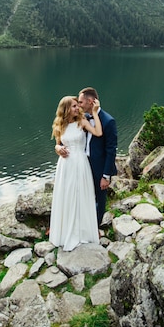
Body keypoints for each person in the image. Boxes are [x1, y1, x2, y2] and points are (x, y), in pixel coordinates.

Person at [56, 87, 118, 227]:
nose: (79, 105)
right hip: (79, 163)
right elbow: (62, 139)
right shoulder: (79, 118)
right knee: (77, 195)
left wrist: (106, 175)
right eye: (76, 104)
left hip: (97, 167)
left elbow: (111, 150)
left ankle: (94, 228)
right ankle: (73, 224)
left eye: (81, 102)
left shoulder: (108, 121)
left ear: (90, 102)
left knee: (98, 198)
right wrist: (58, 147)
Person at [49, 95, 103, 251]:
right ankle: (65, 231)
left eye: (77, 105)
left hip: (80, 162)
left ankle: (83, 231)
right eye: (73, 106)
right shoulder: (60, 125)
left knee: (81, 195)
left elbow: (98, 132)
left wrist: (94, 112)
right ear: (66, 109)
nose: (77, 108)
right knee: (67, 195)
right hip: (66, 165)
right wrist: (58, 149)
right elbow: (57, 145)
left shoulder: (82, 121)